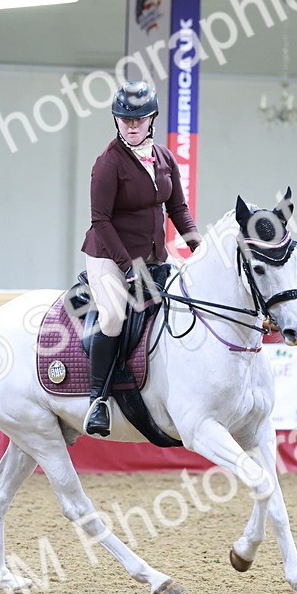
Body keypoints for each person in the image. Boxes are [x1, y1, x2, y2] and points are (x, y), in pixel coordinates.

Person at [81, 80, 201, 437]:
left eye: (139, 119)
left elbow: (177, 209)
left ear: (152, 119)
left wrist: (201, 249)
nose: (131, 126)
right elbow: (100, 221)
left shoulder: (164, 158)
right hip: (108, 256)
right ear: (116, 120)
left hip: (152, 257)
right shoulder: (107, 162)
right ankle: (98, 400)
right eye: (124, 119)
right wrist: (126, 268)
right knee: (115, 317)